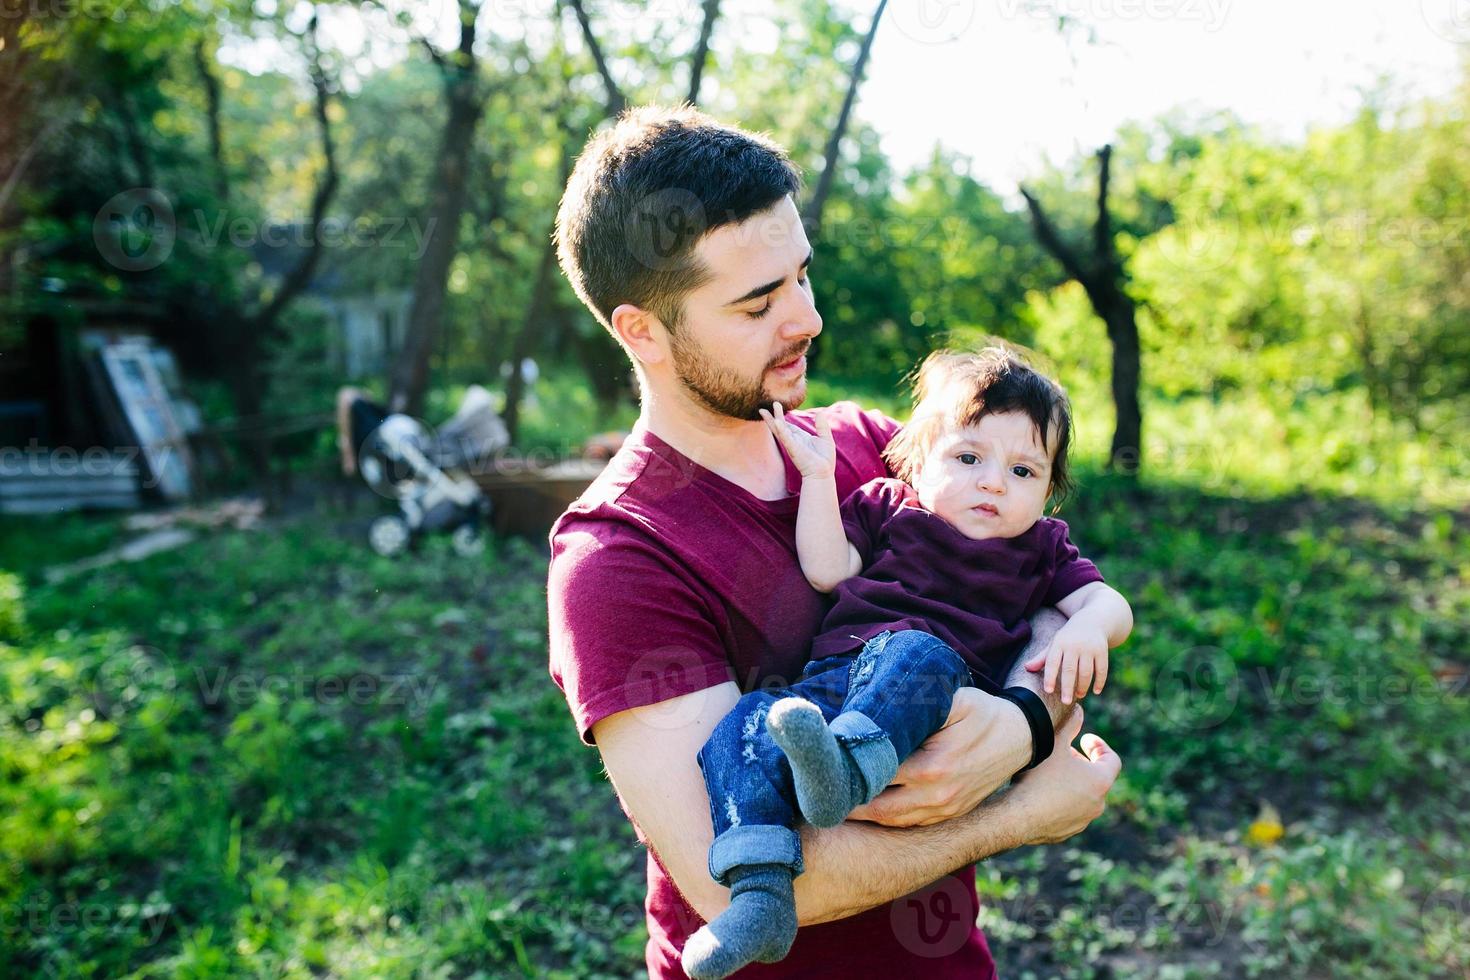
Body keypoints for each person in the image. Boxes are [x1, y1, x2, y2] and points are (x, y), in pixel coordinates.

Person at [547, 104, 1121, 979]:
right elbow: (723, 874)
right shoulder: (617, 561)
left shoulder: (869, 443)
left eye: (802, 278)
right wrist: (1016, 813)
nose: (807, 319)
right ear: (642, 332)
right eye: (758, 304)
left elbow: (1038, 587)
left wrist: (1023, 721)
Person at [681, 348, 1134, 978]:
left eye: (1024, 471)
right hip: (838, 679)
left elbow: (1109, 603)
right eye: (969, 458)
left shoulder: (1041, 547)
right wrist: (816, 479)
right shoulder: (890, 505)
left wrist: (1088, 624)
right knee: (753, 720)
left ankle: (842, 769)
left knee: (914, 648)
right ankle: (759, 891)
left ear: (1049, 492)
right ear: (920, 462)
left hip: (935, 695)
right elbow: (828, 567)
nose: (994, 482)